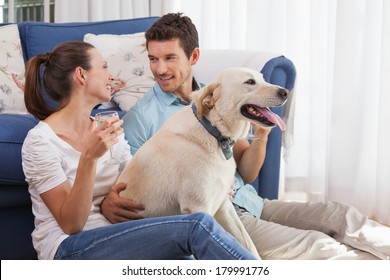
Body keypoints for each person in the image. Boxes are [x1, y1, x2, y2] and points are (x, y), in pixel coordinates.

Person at [103, 12, 390, 260]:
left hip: (252, 202)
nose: (160, 69)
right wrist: (106, 203)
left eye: (169, 58)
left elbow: (246, 172)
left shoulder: (220, 93)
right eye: (153, 59)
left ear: (194, 57)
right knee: (319, 247)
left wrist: (261, 136)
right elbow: (125, 177)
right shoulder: (141, 117)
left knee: (339, 214)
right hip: (224, 215)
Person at [21, 41, 257, 260]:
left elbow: (137, 185)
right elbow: (71, 224)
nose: (111, 76)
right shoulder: (41, 142)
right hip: (69, 248)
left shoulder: (108, 128)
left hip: (117, 234)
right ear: (81, 75)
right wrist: (89, 159)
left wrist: (210, 185)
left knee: (182, 254)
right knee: (196, 226)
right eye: (103, 67)